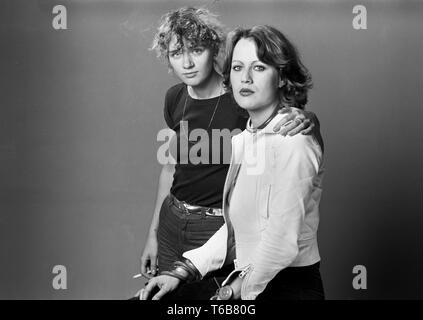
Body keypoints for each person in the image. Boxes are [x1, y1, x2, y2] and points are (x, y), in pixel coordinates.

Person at [138, 8, 323, 299]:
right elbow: (172, 168)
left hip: (248, 257)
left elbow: (280, 239)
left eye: (259, 68)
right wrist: (174, 259)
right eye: (238, 68)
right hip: (182, 226)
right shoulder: (243, 135)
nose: (186, 62)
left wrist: (310, 120)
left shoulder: (267, 119)